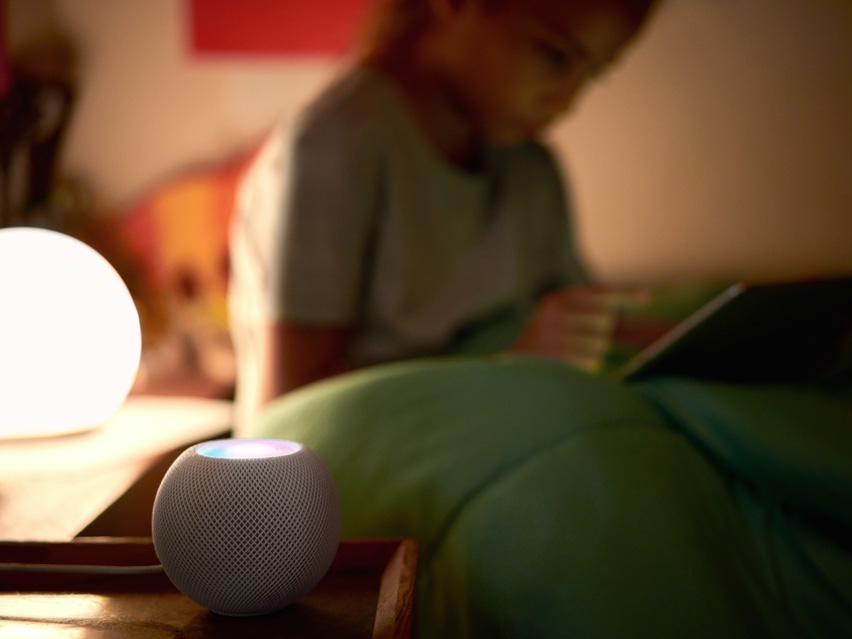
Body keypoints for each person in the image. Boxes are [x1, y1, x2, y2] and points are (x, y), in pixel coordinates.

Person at [229, 0, 659, 429]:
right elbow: (289, 410)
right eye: (555, 56)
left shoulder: (530, 167)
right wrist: (507, 369)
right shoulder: (337, 147)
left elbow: (586, 325)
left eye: (593, 74)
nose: (567, 101)